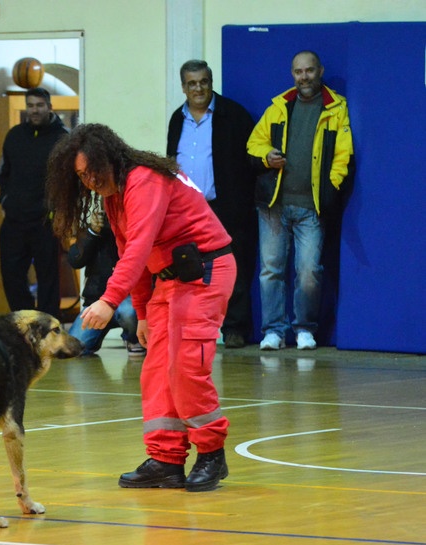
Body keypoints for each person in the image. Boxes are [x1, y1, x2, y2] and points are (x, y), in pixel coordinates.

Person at [47, 123, 236, 493]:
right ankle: (166, 460)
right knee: (156, 371)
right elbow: (129, 253)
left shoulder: (145, 179)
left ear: (109, 160)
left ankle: (212, 453)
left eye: (92, 172)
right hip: (169, 279)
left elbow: (137, 250)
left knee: (185, 366)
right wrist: (144, 315)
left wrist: (108, 300)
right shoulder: (113, 196)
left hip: (205, 272)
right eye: (81, 176)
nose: (88, 182)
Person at [247, 50, 353, 351]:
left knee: (309, 272)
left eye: (309, 71)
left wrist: (329, 188)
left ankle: (305, 328)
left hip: (312, 207)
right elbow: (254, 142)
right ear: (292, 74)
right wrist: (267, 156)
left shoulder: (336, 108)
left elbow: (343, 156)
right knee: (271, 270)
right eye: (298, 72)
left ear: (320, 71)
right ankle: (274, 332)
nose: (303, 77)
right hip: (274, 205)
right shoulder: (280, 106)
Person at [166, 59, 257, 348]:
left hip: (225, 207)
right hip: (185, 210)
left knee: (234, 268)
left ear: (211, 82)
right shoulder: (176, 119)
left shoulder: (234, 115)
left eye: (203, 81)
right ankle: (193, 326)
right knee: (188, 270)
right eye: (192, 83)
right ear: (183, 87)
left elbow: (249, 162)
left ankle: (235, 329)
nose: (198, 88)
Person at [0, 87, 68, 319]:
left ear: (50, 107)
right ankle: (24, 322)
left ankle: (48, 327)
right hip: (15, 220)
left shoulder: (63, 139)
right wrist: (5, 200)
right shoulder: (15, 135)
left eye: (39, 105)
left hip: (45, 221)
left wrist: (59, 211)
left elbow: (70, 180)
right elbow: (2, 172)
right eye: (30, 105)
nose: (34, 110)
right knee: (12, 275)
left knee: (48, 279)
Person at [66, 206, 143, 356]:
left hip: (127, 298)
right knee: (74, 349)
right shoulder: (95, 228)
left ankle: (134, 339)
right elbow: (75, 260)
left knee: (129, 311)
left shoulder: (135, 225)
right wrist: (92, 232)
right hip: (96, 301)